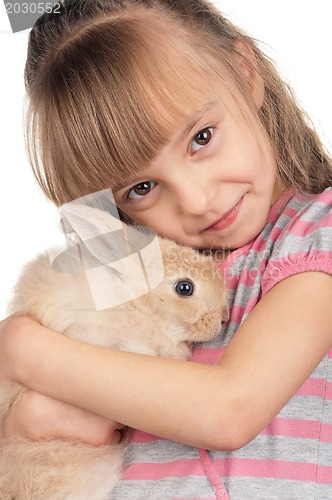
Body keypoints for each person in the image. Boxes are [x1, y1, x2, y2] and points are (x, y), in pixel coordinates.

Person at [1, 0, 332, 498]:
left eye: (201, 138)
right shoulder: (135, 274)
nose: (198, 201)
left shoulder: (315, 236)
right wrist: (21, 433)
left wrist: (21, 349)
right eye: (141, 188)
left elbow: (229, 409)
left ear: (245, 75)